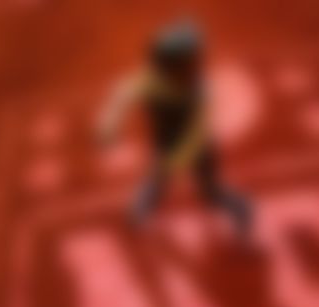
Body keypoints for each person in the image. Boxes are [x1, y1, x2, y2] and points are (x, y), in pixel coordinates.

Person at [97, 20, 254, 247]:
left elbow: (197, 133)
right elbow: (122, 96)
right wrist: (109, 125)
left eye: (194, 63)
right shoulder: (151, 82)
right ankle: (138, 215)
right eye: (187, 65)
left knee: (211, 192)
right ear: (167, 68)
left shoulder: (200, 91)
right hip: (165, 147)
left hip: (200, 152)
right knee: (155, 186)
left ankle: (243, 215)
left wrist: (175, 162)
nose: (195, 69)